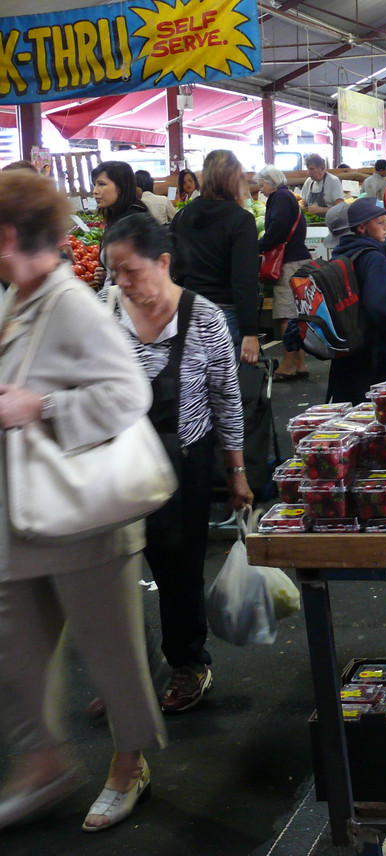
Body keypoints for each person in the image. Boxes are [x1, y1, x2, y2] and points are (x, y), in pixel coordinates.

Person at [0, 169, 165, 833]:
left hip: (85, 513)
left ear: (8, 236)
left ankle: (129, 765)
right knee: (15, 647)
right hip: (24, 512)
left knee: (112, 653)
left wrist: (40, 407)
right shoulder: (18, 300)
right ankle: (42, 764)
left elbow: (129, 394)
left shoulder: (68, 302)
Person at [101, 215, 251, 718]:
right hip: (117, 461)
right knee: (113, 570)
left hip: (181, 463)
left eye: (130, 270)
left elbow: (226, 398)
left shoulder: (203, 318)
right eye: (114, 271)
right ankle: (129, 672)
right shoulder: (105, 312)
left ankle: (188, 663)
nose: (121, 281)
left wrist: (236, 472)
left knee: (178, 570)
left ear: (163, 262)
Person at [172, 150, 260, 366]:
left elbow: (174, 268)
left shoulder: (183, 216)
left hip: (188, 311)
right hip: (225, 315)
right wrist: (250, 331)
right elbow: (244, 278)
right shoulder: (241, 220)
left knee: (192, 382)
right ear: (234, 179)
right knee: (226, 383)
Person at [326, 198, 386, 403]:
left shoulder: (341, 252)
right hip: (369, 348)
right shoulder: (374, 257)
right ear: (362, 228)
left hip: (346, 345)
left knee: (347, 407)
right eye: (380, 222)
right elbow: (378, 306)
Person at [255, 165, 311, 380]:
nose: (261, 189)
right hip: (297, 259)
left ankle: (288, 365)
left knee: (287, 315)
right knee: (297, 314)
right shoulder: (288, 197)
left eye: (262, 184)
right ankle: (300, 364)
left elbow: (277, 228)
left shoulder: (279, 198)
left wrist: (260, 245)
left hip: (289, 263)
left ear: (271, 182)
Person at [91, 161, 148, 289]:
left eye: (102, 184)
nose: (95, 191)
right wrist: (108, 274)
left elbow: (138, 274)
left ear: (120, 187)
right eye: (95, 184)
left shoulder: (133, 223)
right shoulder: (116, 219)